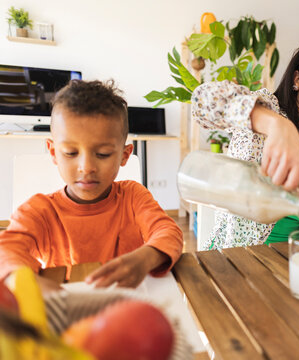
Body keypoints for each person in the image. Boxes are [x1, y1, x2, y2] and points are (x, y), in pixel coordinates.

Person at [0, 80, 183, 291]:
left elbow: (169, 232)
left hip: (129, 305)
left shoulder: (133, 196)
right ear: (53, 153)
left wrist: (146, 257)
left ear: (124, 156)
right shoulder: (39, 210)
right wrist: (24, 283)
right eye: (71, 153)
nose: (86, 167)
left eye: (103, 154)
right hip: (64, 310)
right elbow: (6, 250)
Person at [191, 33, 299, 249]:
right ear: (297, 79)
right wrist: (275, 124)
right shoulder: (263, 112)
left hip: (291, 261)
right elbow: (202, 101)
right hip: (236, 259)